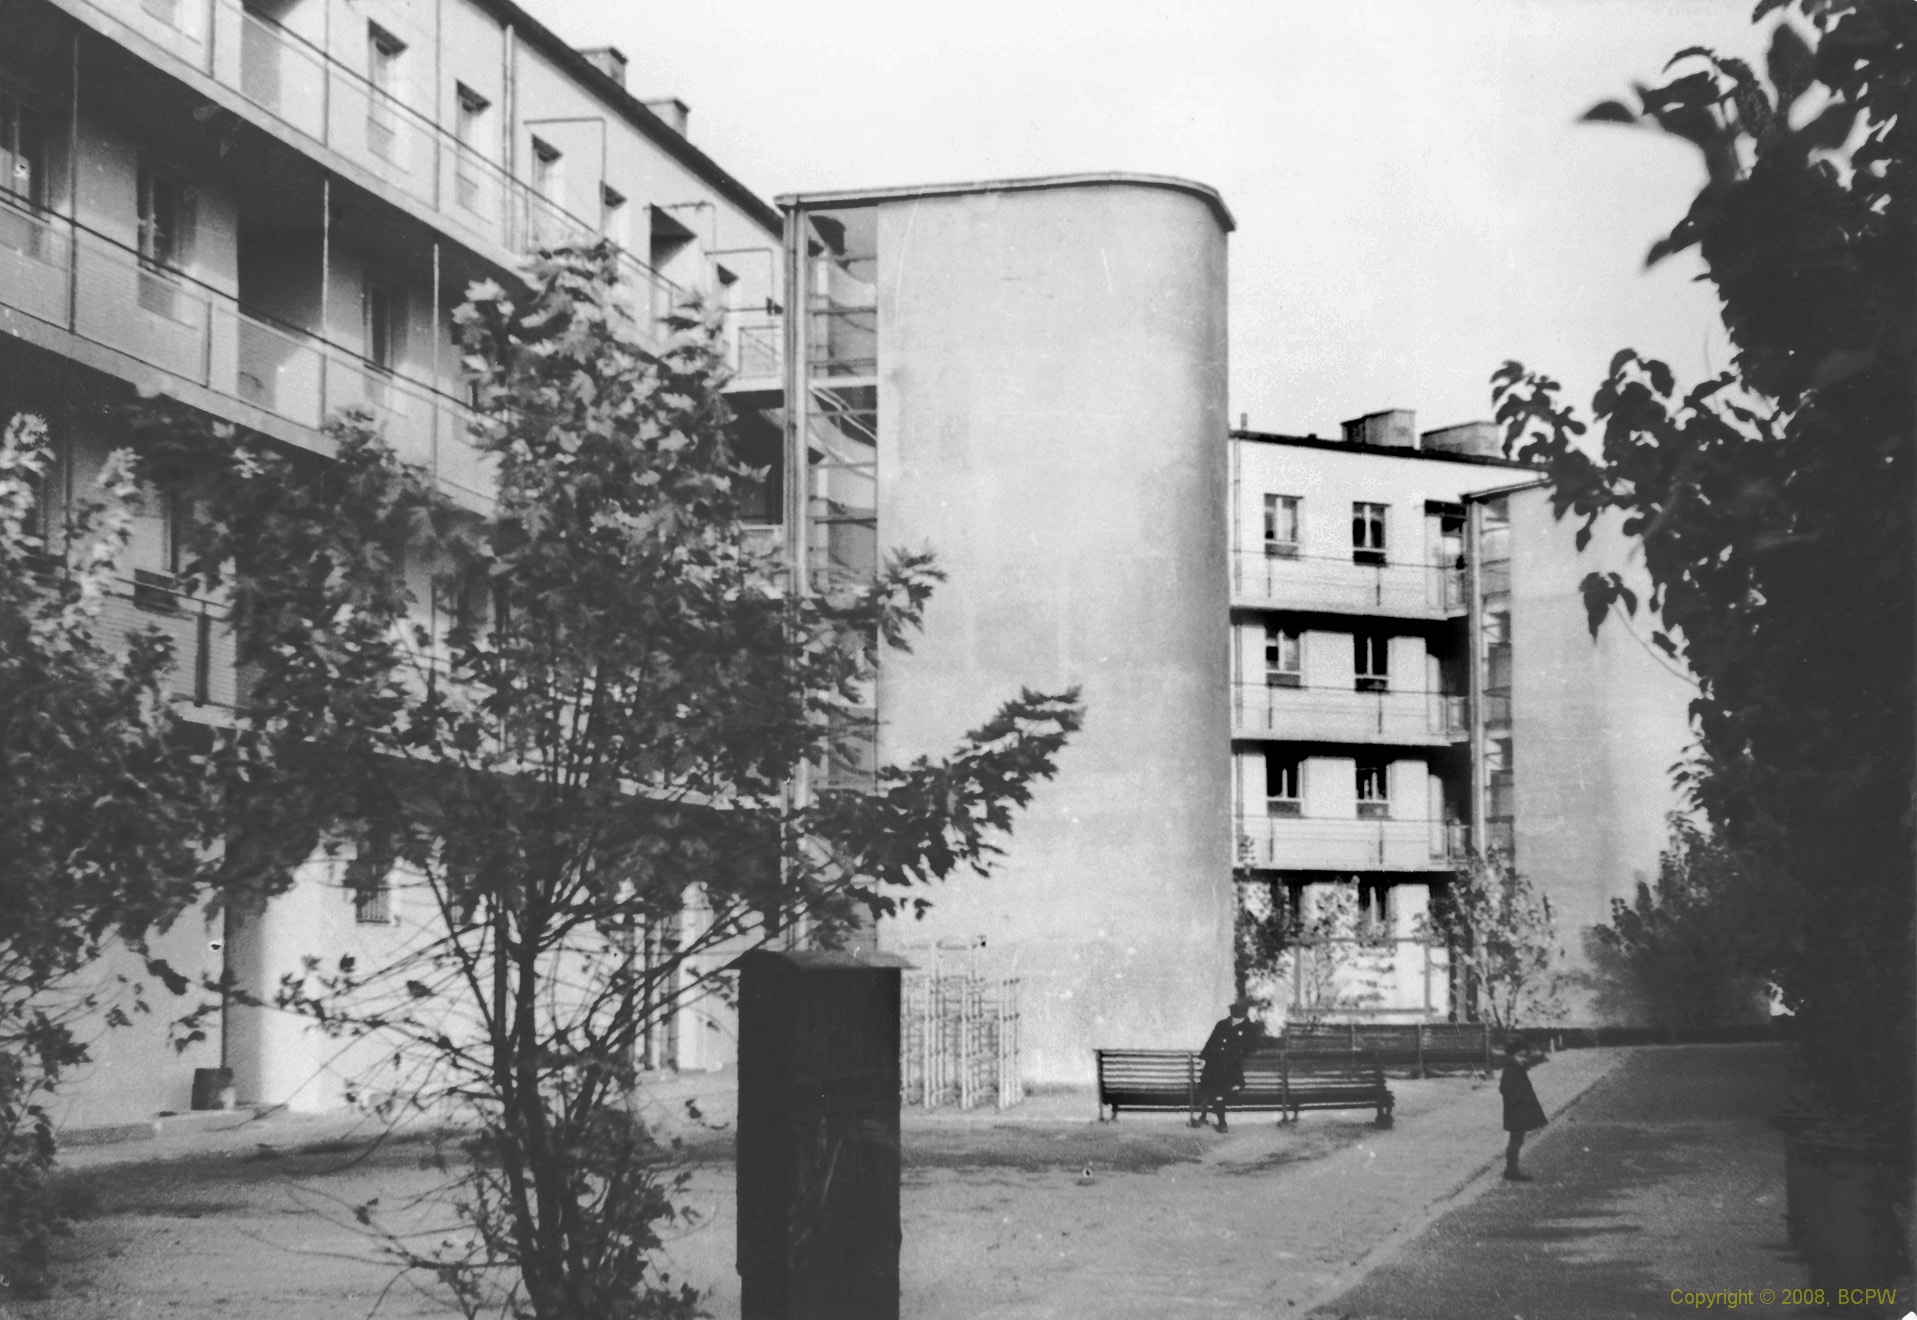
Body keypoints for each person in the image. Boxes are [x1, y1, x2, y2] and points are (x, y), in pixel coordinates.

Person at [1195, 998, 1261, 1133]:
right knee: (1212, 1086)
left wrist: (1240, 1053)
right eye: (1234, 1018)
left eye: (1239, 1019)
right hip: (1214, 1066)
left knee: (1218, 1089)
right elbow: (1211, 1042)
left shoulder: (1250, 1028)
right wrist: (1203, 1058)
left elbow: (1253, 1047)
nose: (1235, 1021)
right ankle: (1212, 1118)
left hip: (1233, 1068)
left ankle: (1220, 1121)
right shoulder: (1222, 1025)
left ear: (1244, 1016)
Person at [1499, 1036, 1549, 1180]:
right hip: (1515, 1111)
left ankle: (1511, 1168)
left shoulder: (1516, 1069)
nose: (1522, 1059)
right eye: (1519, 1056)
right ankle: (1511, 1169)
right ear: (1512, 1056)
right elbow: (1505, 1088)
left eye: (1524, 1056)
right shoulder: (1511, 1070)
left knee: (1517, 1139)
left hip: (1517, 1111)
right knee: (1516, 1140)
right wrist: (1518, 1098)